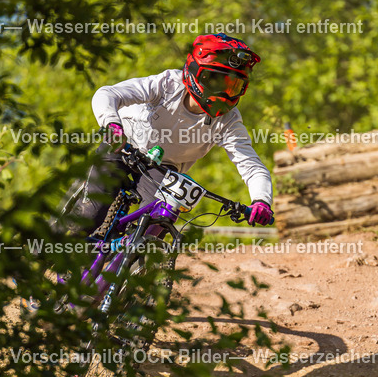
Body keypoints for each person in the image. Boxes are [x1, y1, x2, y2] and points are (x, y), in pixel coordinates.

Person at [54, 33, 274, 237]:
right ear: (195, 72)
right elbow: (107, 94)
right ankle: (31, 261)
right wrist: (112, 125)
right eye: (216, 80)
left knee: (155, 224)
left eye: (233, 86)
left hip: (163, 168)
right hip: (123, 145)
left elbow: (251, 165)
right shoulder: (168, 84)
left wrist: (261, 200)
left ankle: (121, 266)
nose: (223, 94)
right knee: (89, 216)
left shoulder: (229, 120)